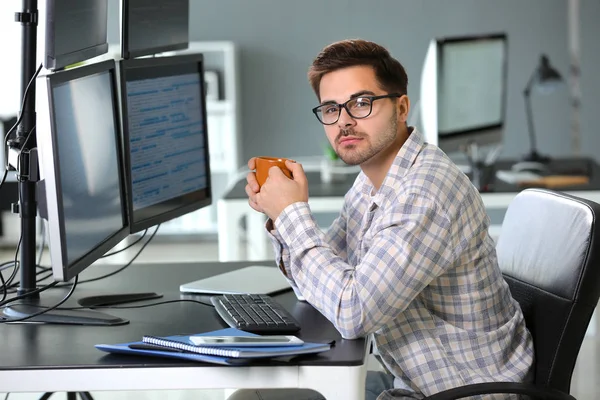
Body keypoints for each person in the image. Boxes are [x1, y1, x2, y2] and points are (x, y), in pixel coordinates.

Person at [231, 39, 534, 400]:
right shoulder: (372, 182)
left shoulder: (424, 194)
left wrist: (290, 214)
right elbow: (321, 284)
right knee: (251, 395)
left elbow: (352, 311)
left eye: (362, 103)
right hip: (418, 385)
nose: (344, 121)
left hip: (465, 392)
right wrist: (282, 218)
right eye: (331, 109)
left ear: (401, 107)